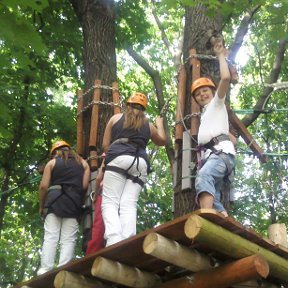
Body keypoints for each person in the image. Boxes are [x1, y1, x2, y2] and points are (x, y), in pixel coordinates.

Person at [97, 92, 167, 246]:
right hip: (140, 163)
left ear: (127, 105)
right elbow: (162, 141)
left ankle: (114, 239)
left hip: (118, 158)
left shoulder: (115, 119)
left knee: (110, 202)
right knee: (129, 203)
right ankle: (127, 240)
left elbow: (105, 146)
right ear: (143, 109)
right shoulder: (149, 126)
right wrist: (160, 123)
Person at [191, 38, 236, 217]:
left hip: (220, 154)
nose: (202, 95)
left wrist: (220, 56)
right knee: (214, 197)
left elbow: (225, 78)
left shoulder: (217, 104)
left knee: (203, 178)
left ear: (212, 92)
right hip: (214, 155)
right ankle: (224, 220)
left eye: (205, 91)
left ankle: (206, 219)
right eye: (198, 94)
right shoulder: (206, 114)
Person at [37, 140, 90, 275]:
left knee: (51, 236)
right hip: (73, 202)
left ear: (55, 152)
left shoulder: (52, 163)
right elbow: (84, 186)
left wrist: (41, 207)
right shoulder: (83, 163)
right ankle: (64, 269)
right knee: (69, 238)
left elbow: (43, 187)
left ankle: (45, 269)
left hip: (54, 201)